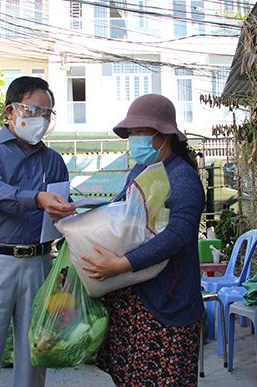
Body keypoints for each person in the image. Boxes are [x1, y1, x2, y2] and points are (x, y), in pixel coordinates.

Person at [80, 94, 205, 386]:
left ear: (164, 135)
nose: (133, 138)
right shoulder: (140, 171)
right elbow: (119, 213)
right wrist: (77, 214)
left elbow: (179, 235)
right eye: (131, 133)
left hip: (167, 303)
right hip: (132, 300)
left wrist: (123, 265)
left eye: (139, 132)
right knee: (130, 378)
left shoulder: (183, 178)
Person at [0, 76, 76, 387]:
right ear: (10, 111)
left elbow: (60, 213)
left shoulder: (53, 160)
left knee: (34, 356)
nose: (41, 119)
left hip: (40, 263)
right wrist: (38, 199)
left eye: (48, 113)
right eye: (34, 110)